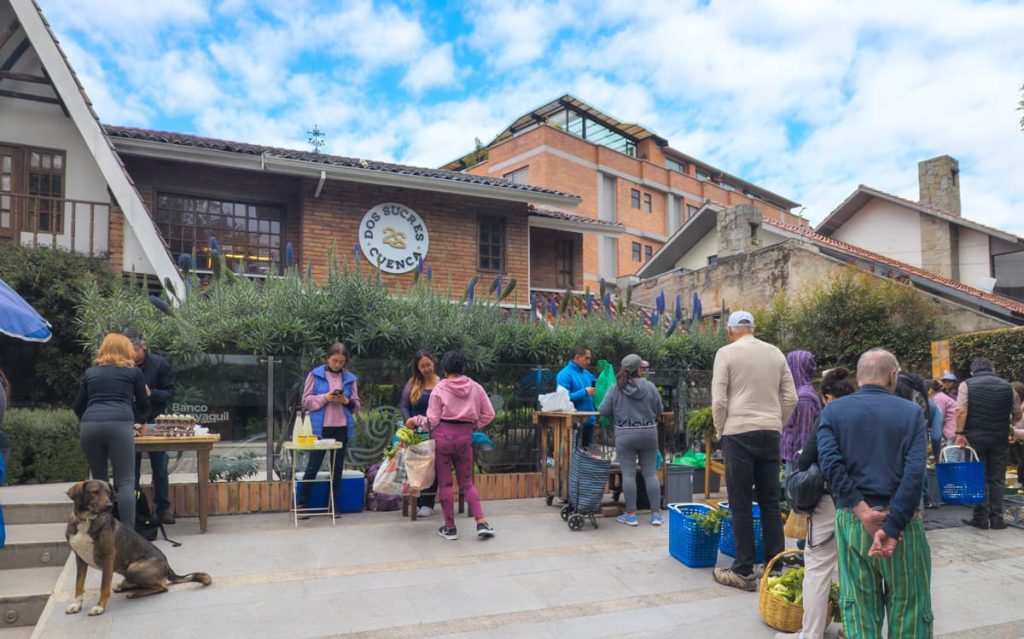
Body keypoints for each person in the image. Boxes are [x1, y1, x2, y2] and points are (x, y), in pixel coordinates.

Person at [817, 348, 931, 639]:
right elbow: (915, 472)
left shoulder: (834, 410)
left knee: (860, 610)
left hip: (854, 524)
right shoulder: (911, 413)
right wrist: (892, 526)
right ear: (893, 376)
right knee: (910, 608)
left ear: (858, 377)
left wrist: (862, 511)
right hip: (904, 523)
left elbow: (830, 463)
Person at [711, 310, 797, 591]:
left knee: (741, 503)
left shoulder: (726, 353)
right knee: (771, 501)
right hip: (770, 433)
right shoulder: (775, 353)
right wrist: (775, 423)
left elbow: (719, 400)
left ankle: (744, 570)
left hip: (738, 433)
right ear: (753, 328)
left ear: (730, 330)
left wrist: (722, 429)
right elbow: (791, 398)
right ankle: (774, 568)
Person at [775, 367, 857, 639]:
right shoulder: (867, 415)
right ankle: (853, 629)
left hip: (830, 503)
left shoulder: (828, 416)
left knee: (819, 569)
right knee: (855, 568)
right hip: (864, 504)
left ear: (827, 396)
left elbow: (805, 459)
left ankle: (810, 634)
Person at [407, 350, 496, 540]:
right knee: (467, 483)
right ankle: (481, 522)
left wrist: (415, 420)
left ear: (445, 369)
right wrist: (473, 425)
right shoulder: (476, 387)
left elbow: (432, 420)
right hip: (465, 438)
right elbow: (489, 414)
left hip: (442, 439)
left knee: (446, 484)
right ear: (463, 367)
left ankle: (450, 528)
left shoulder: (440, 389)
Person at [73, 333, 150, 529]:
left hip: (90, 425)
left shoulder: (91, 372)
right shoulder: (133, 373)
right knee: (125, 482)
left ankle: (101, 531)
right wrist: (140, 423)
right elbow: (143, 404)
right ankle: (127, 536)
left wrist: (89, 420)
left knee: (99, 482)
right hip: (120, 425)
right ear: (126, 350)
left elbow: (77, 405)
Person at [955, 357, 1022, 530]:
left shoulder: (966, 385)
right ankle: (998, 519)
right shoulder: (1007, 386)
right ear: (992, 369)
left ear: (972, 371)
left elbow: (961, 410)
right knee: (997, 478)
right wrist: (1010, 428)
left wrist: (960, 433)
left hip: (974, 439)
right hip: (999, 439)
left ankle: (981, 518)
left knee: (978, 476)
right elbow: (1017, 412)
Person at [598, 354, 664, 527]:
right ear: (638, 369)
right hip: (649, 434)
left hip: (625, 435)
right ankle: (656, 515)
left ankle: (631, 515)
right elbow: (660, 409)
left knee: (628, 475)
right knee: (650, 474)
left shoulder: (615, 388)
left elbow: (603, 410)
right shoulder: (650, 387)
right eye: (642, 367)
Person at [299, 342, 360, 515]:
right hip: (321, 428)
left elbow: (356, 406)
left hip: (342, 427)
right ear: (327, 358)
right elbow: (306, 401)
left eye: (341, 362)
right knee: (313, 465)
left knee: (337, 468)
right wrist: (325, 397)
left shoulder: (350, 378)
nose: (338, 365)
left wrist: (345, 401)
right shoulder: (315, 375)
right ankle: (301, 504)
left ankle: (334, 505)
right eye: (334, 361)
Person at [123, 329, 176, 525]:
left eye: (134, 349)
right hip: (130, 421)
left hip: (155, 421)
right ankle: (136, 510)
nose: (131, 354)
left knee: (160, 467)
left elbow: (170, 393)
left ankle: (163, 508)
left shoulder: (160, 364)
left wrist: (150, 393)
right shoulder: (123, 366)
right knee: (131, 470)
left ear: (143, 346)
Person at [781, 350, 821, 553]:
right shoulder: (800, 393)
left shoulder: (804, 398)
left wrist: (800, 470)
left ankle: (803, 549)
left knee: (801, 503)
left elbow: (804, 438)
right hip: (794, 458)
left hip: (799, 462)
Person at [400, 350, 440, 518]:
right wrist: (408, 421)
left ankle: (428, 503)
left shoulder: (441, 383)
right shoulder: (413, 383)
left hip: (436, 431)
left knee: (431, 466)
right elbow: (404, 405)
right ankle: (414, 500)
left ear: (434, 363)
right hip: (415, 432)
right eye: (422, 366)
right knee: (413, 465)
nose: (426, 369)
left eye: (428, 365)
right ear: (417, 368)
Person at [556, 344, 597, 448]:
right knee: (572, 457)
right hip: (573, 424)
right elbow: (562, 398)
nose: (589, 361)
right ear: (577, 357)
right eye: (586, 358)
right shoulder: (565, 374)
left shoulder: (586, 373)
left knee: (588, 457)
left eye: (589, 358)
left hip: (589, 422)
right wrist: (584, 392)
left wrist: (605, 377)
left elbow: (598, 383)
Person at [928, 378, 958, 451]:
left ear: (930, 390)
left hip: (952, 432)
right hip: (955, 431)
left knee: (952, 459)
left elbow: (939, 418)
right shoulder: (940, 396)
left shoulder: (938, 399)